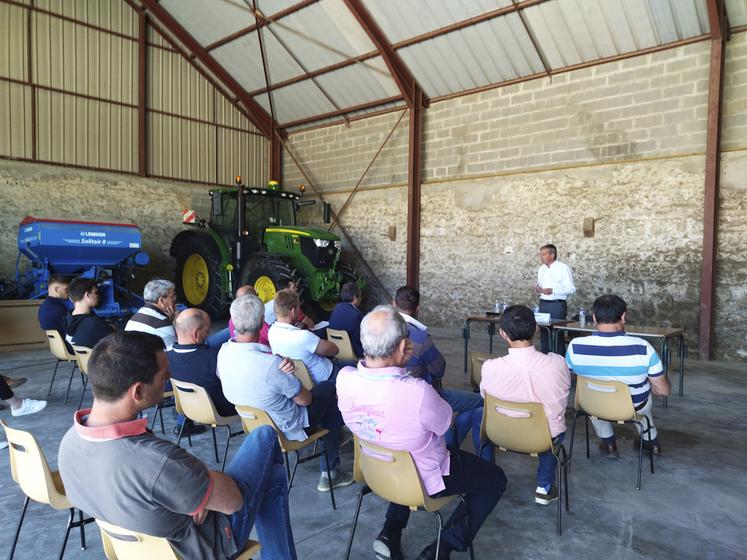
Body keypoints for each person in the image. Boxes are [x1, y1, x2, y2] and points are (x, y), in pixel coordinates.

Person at [57, 331, 297, 559]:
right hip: (202, 546)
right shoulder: (155, 463)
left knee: (272, 476)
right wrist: (197, 484)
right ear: (137, 391)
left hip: (139, 549)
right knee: (264, 436)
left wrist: (191, 487)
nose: (169, 379)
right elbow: (234, 501)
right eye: (164, 377)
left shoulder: (69, 443)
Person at [337, 306, 506, 560]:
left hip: (376, 471)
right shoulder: (418, 392)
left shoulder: (344, 379)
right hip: (422, 477)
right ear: (405, 347)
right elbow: (446, 424)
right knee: (494, 479)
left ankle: (390, 532)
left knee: (401, 451)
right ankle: (442, 547)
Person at [219, 295, 354, 492]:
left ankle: (335, 440)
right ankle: (330, 471)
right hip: (288, 428)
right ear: (261, 321)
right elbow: (305, 400)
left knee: (325, 401)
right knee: (328, 389)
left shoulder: (223, 353)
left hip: (254, 425)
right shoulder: (269, 366)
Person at [480, 305, 570, 505]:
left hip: (500, 434)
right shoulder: (557, 364)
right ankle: (544, 487)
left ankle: (486, 479)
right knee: (552, 423)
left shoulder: (490, 367)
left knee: (478, 414)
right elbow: (564, 393)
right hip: (542, 439)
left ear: (502, 333)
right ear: (536, 329)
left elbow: (484, 397)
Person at [565, 294, 670, 457]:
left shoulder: (575, 346)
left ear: (594, 317)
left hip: (594, 405)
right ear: (623, 317)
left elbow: (568, 376)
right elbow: (662, 391)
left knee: (594, 395)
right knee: (641, 399)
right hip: (632, 408)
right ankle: (651, 442)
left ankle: (609, 445)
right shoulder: (643, 347)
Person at [394, 286, 485, 458]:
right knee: (479, 402)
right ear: (418, 307)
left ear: (394, 303)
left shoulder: (384, 332)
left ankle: (449, 444)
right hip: (429, 394)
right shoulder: (419, 338)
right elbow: (439, 369)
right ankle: (451, 448)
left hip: (400, 395)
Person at [167, 308, 236, 435]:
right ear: (196, 333)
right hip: (221, 411)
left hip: (188, 410)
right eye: (207, 330)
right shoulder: (214, 357)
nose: (209, 333)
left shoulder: (167, 358)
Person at [267, 290, 340, 384]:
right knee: (355, 367)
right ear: (293, 311)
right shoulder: (303, 336)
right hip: (328, 377)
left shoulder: (271, 333)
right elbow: (334, 350)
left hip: (304, 383)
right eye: (298, 308)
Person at [534, 244, 575, 355]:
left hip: (557, 305)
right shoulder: (541, 269)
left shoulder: (563, 268)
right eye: (540, 254)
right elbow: (540, 286)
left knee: (557, 331)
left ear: (552, 255)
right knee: (544, 331)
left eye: (544, 254)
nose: (541, 257)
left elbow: (571, 289)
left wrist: (553, 291)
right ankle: (545, 356)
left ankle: (559, 358)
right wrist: (538, 290)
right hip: (543, 303)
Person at [125, 279, 178, 349]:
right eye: (172, 296)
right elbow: (173, 355)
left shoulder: (135, 318)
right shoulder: (163, 325)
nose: (175, 299)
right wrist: (174, 325)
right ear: (161, 301)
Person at [64, 277, 114, 348]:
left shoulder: (67, 319)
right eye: (96, 292)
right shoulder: (95, 324)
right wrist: (110, 328)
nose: (98, 296)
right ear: (87, 295)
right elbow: (117, 342)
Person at [328, 282, 364, 358]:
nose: (361, 299)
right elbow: (359, 338)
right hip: (352, 351)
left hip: (336, 350)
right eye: (360, 296)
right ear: (355, 298)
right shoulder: (356, 315)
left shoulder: (336, 308)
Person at [38, 274, 73, 351]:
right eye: (67, 290)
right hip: (70, 348)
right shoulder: (58, 309)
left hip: (58, 348)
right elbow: (73, 331)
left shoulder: (43, 306)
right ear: (57, 290)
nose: (69, 293)